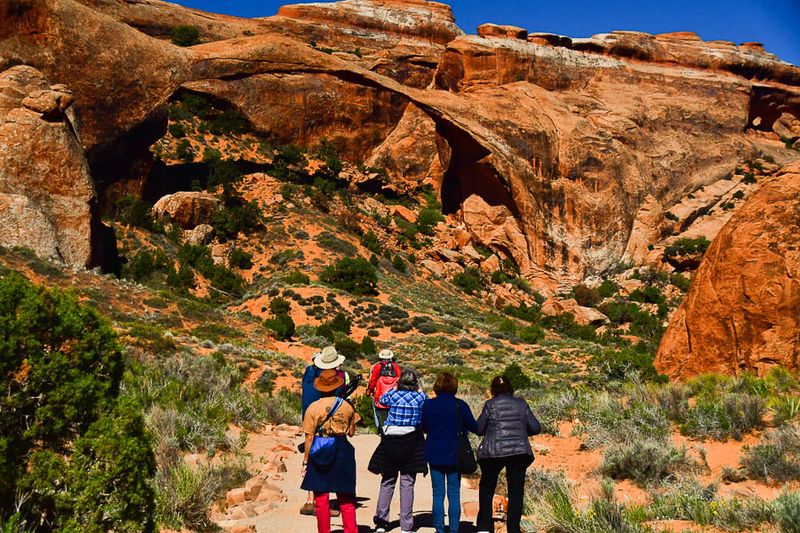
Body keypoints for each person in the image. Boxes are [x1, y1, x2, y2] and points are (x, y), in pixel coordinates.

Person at [474, 375, 541, 533]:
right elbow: (536, 427)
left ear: (493, 390)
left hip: (493, 452)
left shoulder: (490, 405)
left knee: (487, 488)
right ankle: (513, 529)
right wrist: (521, 431)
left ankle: (484, 527)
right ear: (511, 388)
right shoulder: (522, 404)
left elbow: (479, 429)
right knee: (516, 492)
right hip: (518, 452)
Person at [301, 369, 361, 533]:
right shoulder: (347, 406)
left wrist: (306, 461)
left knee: (321, 499)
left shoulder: (313, 408)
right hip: (342, 447)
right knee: (346, 497)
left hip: (321, 447)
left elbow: (309, 438)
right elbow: (351, 432)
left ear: (319, 388)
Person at [368, 369, 428, 533]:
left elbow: (381, 400)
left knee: (387, 481)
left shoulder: (394, 395)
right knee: (407, 484)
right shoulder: (420, 397)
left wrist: (395, 387)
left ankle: (381, 522)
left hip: (391, 441)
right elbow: (427, 401)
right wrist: (420, 389)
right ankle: (406, 526)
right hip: (412, 441)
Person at [420, 372, 477, 533]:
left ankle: (439, 529)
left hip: (435, 453)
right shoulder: (460, 405)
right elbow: (474, 427)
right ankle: (454, 529)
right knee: (454, 493)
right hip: (455, 454)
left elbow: (424, 427)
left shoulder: (428, 405)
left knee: (438, 493)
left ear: (437, 386)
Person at [300, 346, 349, 516]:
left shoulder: (308, 372)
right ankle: (327, 501)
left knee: (310, 452)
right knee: (332, 460)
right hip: (328, 420)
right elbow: (338, 396)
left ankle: (309, 498)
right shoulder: (335, 376)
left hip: (308, 414)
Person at [366, 349, 401, 431]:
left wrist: (369, 390)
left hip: (380, 394)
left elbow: (373, 380)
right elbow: (399, 379)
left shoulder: (377, 367)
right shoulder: (395, 366)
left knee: (378, 412)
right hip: (393, 395)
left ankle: (381, 429)